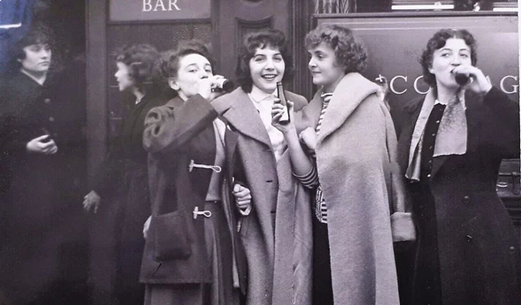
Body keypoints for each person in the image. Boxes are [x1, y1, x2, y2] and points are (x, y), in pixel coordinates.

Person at [397, 28, 521, 304]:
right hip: (427, 237)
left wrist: (488, 91)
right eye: (446, 54)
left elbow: (517, 140)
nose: (455, 60)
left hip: (477, 239)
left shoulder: (484, 107)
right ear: (430, 64)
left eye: (463, 55)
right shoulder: (413, 110)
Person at [290, 24, 412, 305]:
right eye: (310, 56)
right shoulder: (315, 106)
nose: (311, 63)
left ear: (342, 58)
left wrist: (313, 143)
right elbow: (313, 179)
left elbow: (363, 167)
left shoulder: (366, 104)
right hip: (320, 227)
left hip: (355, 227)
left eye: (319, 56)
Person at [139, 40, 248, 305]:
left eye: (207, 69)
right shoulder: (162, 114)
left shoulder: (221, 120)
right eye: (192, 69)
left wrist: (237, 190)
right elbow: (159, 142)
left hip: (217, 229)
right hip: (180, 230)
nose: (203, 74)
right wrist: (200, 102)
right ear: (174, 82)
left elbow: (222, 173)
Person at [213, 29, 313, 305]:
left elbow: (308, 172)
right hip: (249, 221)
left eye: (276, 58)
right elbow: (216, 167)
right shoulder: (223, 108)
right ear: (246, 65)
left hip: (293, 220)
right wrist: (235, 190)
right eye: (259, 58)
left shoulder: (300, 104)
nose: (270, 66)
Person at [0, 26, 88, 305]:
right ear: (19, 56)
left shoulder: (60, 85)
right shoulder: (7, 88)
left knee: (60, 248)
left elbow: (79, 127)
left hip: (61, 179)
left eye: (47, 49)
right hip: (21, 182)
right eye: (36, 49)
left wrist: (62, 143)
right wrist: (25, 147)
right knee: (26, 250)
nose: (44, 55)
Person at [82, 44, 165, 305]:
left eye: (119, 70)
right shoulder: (136, 103)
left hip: (148, 192)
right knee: (127, 256)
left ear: (136, 72)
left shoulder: (159, 106)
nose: (115, 76)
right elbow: (120, 151)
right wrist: (98, 188)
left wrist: (158, 209)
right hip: (131, 192)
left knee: (139, 257)